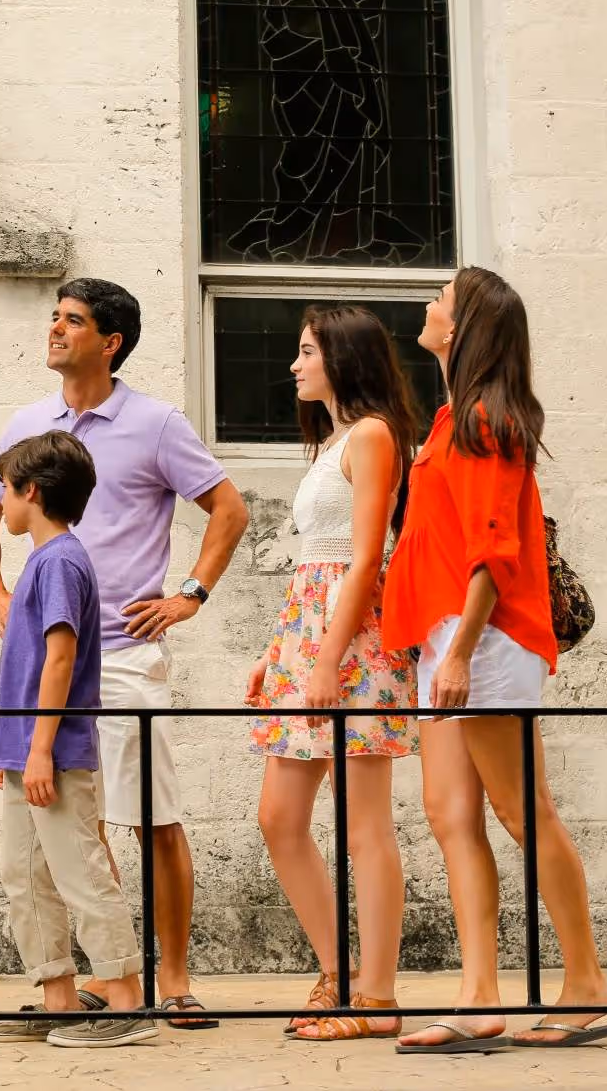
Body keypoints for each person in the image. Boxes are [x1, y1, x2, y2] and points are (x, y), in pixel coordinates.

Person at [0, 277, 249, 1028]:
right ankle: (100, 980)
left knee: (150, 817)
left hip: (123, 653)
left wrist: (190, 593)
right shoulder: (30, 423)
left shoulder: (156, 424)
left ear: (110, 341)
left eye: (73, 320)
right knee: (72, 825)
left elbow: (229, 506)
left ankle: (173, 977)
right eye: (54, 316)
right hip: (55, 655)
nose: (55, 329)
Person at [381, 267, 607, 1053]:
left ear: (464, 326)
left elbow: (494, 553)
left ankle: (586, 980)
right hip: (446, 640)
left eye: (441, 301)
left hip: (477, 641)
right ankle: (478, 995)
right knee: (452, 817)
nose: (429, 307)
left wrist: (455, 652)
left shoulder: (487, 421)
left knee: (525, 810)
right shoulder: (456, 418)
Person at [243, 305, 421, 1041]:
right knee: (279, 817)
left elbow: (367, 557)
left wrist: (323, 659)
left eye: (308, 351)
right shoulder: (333, 439)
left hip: (354, 644)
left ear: (343, 358)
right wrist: (277, 651)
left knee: (364, 822)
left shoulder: (375, 435)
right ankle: (337, 973)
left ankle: (375, 996)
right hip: (311, 635)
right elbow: (315, 563)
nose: (295, 364)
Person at [0, 431, 159, 1050]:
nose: (0, 501)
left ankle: (127, 1001)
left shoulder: (59, 560)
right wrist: (15, 750)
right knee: (25, 877)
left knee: (80, 874)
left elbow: (60, 658)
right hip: (26, 750)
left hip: (51, 753)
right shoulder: (44, 559)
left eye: (6, 489)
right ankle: (57, 997)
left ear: (32, 491)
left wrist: (38, 749)